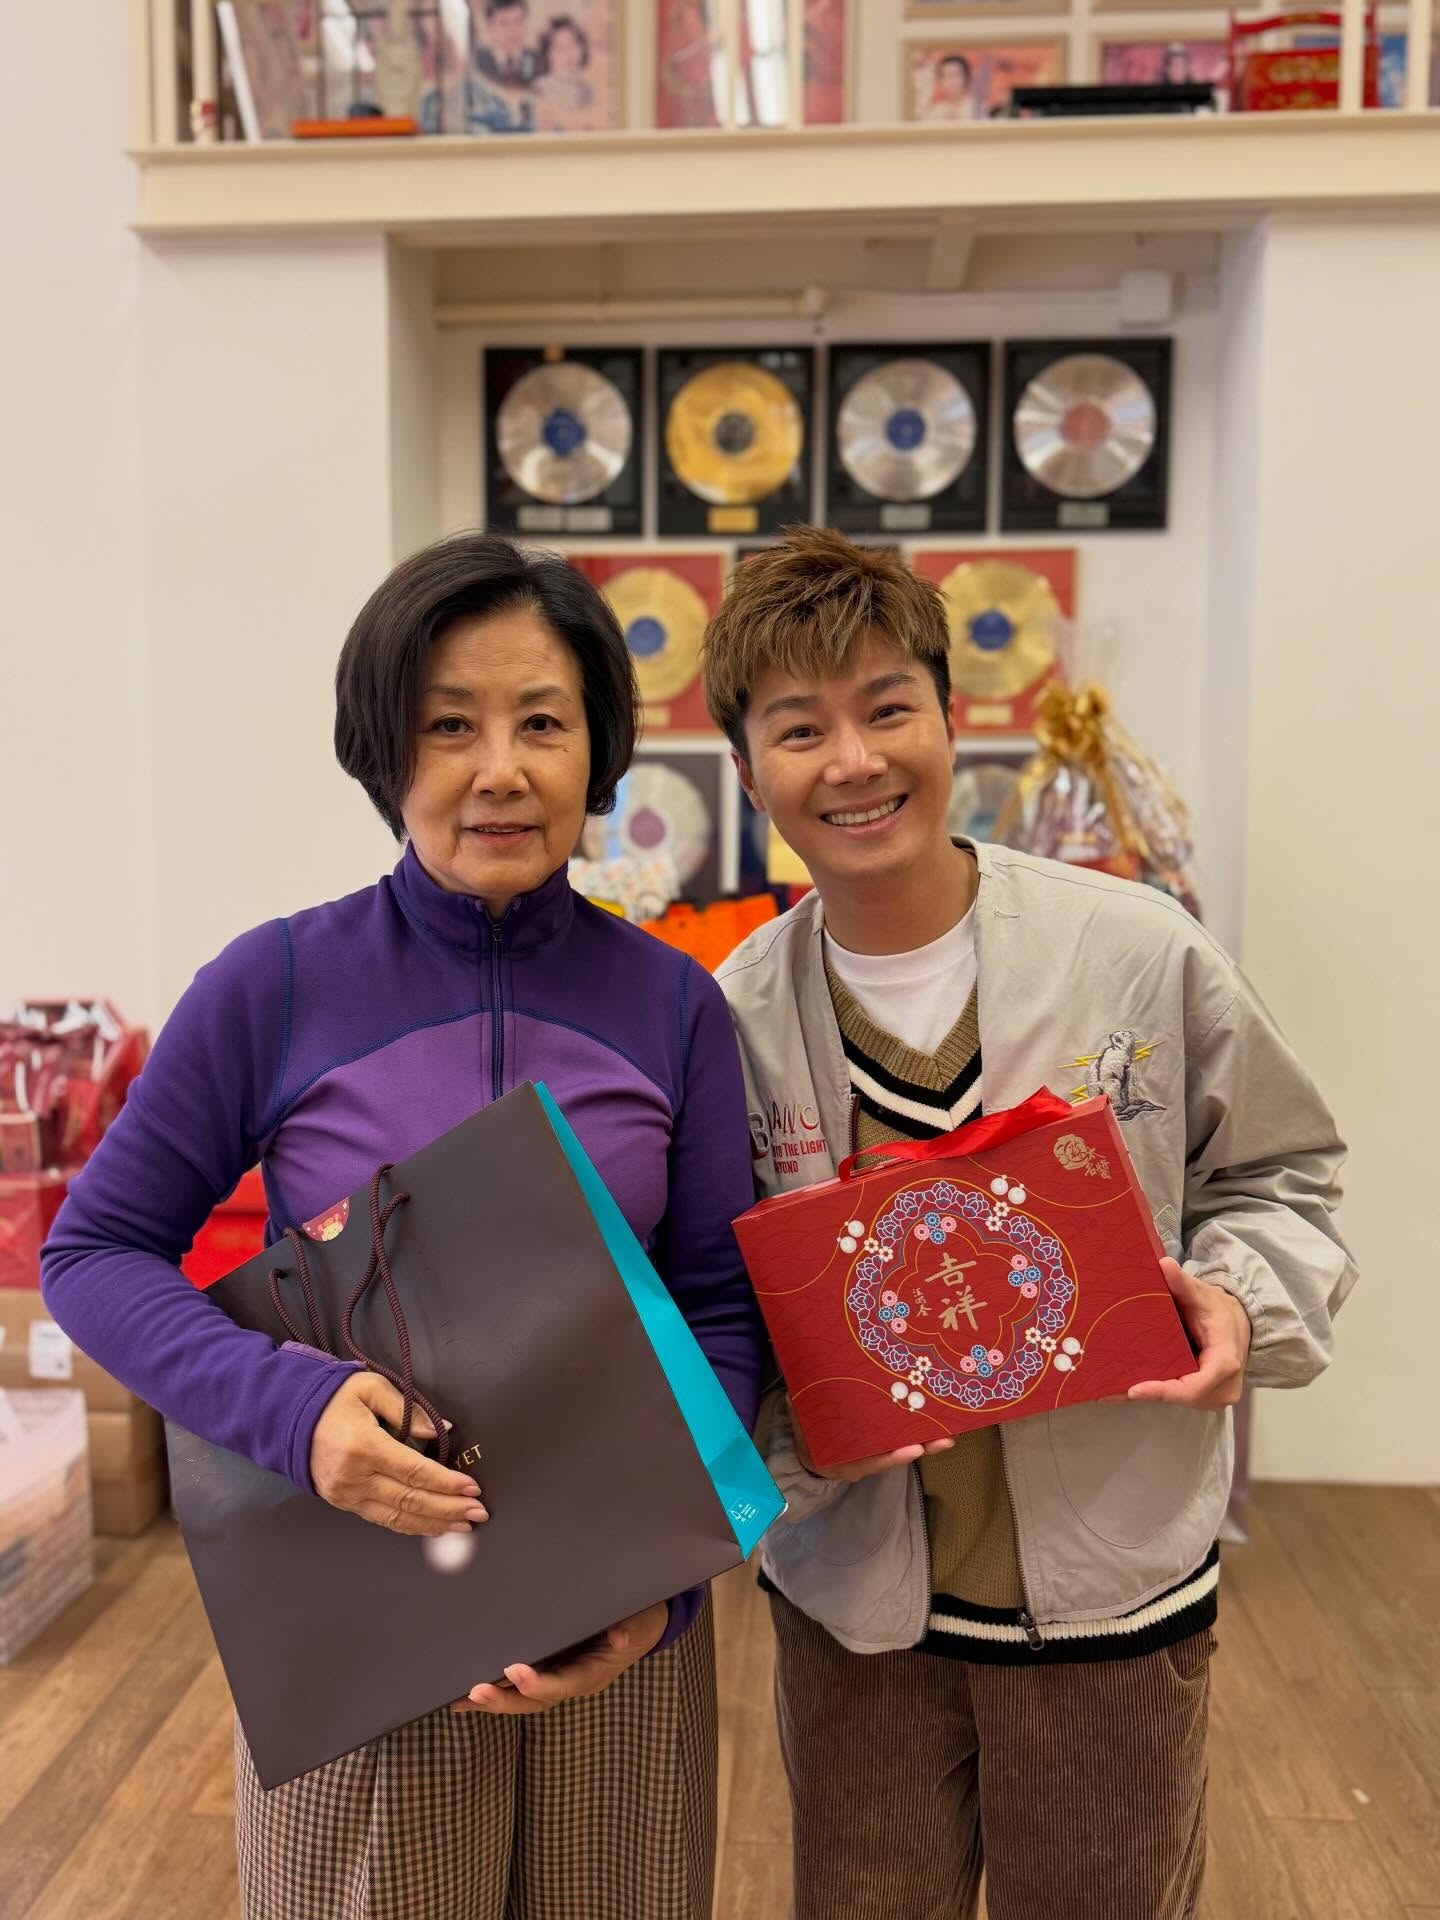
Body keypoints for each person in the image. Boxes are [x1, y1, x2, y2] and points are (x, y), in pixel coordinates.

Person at [42, 533, 765, 1920]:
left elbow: (721, 1311)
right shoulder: (274, 984)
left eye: (542, 722)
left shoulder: (675, 1005)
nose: (501, 769)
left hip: (615, 1620)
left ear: (598, 755)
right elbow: (93, 1254)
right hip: (355, 1598)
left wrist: (671, 1581)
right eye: (449, 726)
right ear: (384, 752)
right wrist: (291, 1410)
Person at [700, 527, 1356, 1920]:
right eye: (800, 729)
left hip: (1113, 1594)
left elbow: (1284, 1174)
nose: (854, 761)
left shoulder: (1136, 950)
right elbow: (710, 1303)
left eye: (888, 708)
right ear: (748, 772)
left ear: (952, 718)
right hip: (855, 1613)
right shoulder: (732, 1019)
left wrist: (1237, 1303)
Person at [533, 13, 595, 129]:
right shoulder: (540, 89)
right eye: (559, 48)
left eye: (573, 45)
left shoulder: (587, 89)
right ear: (547, 54)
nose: (568, 53)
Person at [922, 51, 976, 123]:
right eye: (945, 76)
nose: (950, 81)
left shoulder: (977, 108)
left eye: (955, 75)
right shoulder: (936, 111)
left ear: (966, 77)